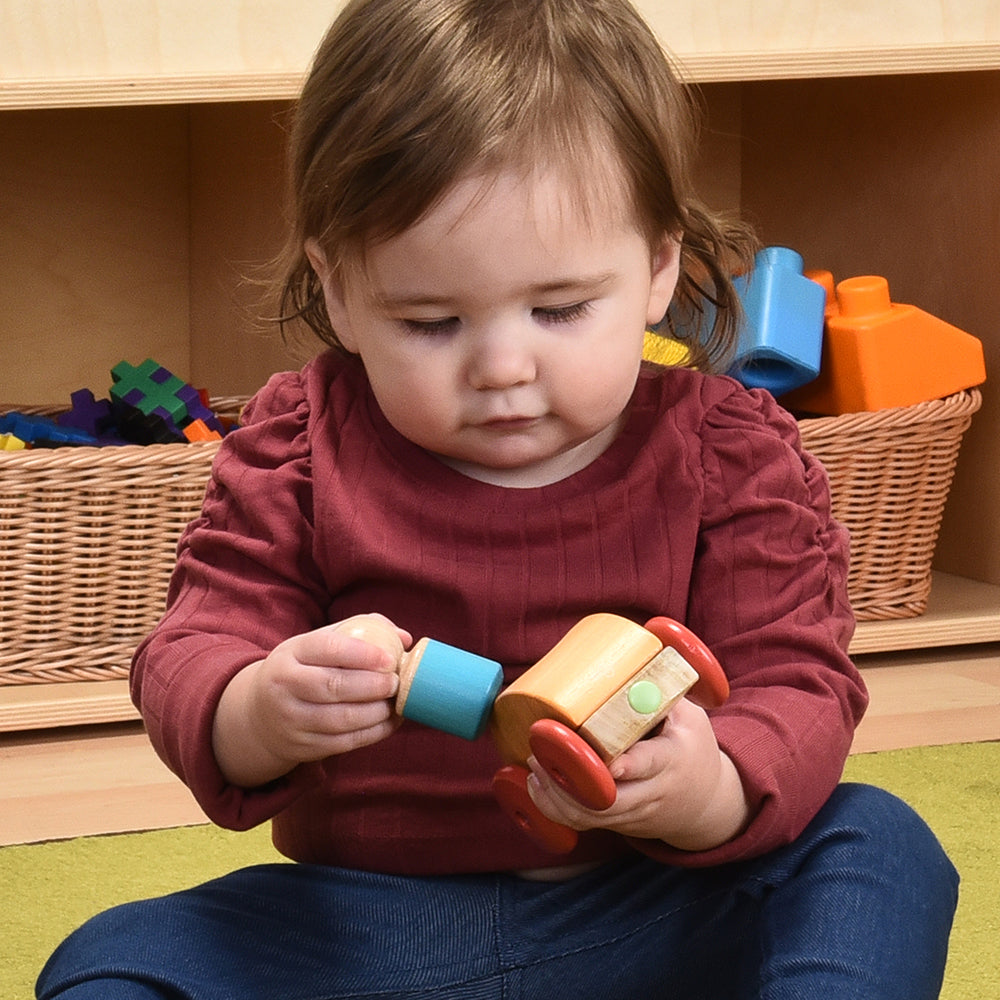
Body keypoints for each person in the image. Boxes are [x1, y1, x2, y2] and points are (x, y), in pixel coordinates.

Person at [37, 0, 959, 997]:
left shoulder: (726, 453)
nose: (503, 367)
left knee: (879, 849)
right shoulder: (300, 443)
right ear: (339, 289)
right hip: (370, 926)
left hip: (645, 910)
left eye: (560, 308)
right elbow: (195, 644)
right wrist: (257, 705)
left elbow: (797, 683)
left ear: (657, 266)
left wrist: (707, 787)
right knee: (109, 963)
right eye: (431, 321)